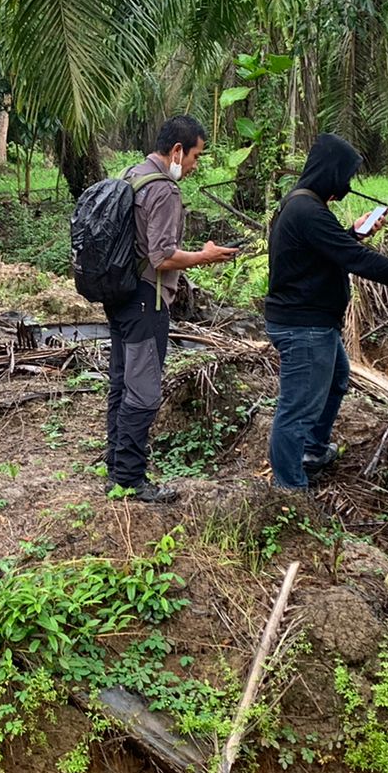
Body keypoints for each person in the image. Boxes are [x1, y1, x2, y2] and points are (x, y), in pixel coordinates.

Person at [265, 133, 388, 491]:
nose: (347, 184)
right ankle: (288, 488)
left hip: (314, 323)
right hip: (304, 327)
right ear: (330, 171)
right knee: (297, 407)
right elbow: (357, 261)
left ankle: (314, 450)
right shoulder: (308, 211)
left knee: (336, 380)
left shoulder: (304, 205)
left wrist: (353, 233)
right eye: (345, 175)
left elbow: (327, 251)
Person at [106, 115, 239, 504]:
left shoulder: (132, 173)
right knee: (143, 390)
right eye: (196, 155)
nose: (196, 165)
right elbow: (162, 256)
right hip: (146, 298)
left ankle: (115, 463)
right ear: (177, 150)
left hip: (119, 293)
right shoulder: (163, 190)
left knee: (121, 380)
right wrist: (205, 255)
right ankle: (130, 478)